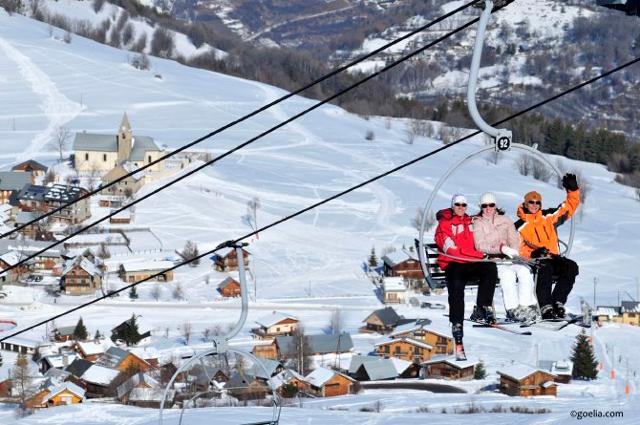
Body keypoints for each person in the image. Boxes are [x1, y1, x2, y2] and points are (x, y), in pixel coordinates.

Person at [435, 194, 498, 359]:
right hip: (454, 263)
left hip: (471, 262)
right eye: (458, 204)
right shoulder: (444, 225)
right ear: (452, 205)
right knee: (456, 284)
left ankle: (482, 307)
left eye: (464, 205)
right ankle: (457, 323)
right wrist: (478, 256)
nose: (461, 207)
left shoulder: (471, 222)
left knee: (490, 269)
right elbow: (451, 250)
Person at [514, 173, 581, 320]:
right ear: (525, 204)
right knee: (545, 268)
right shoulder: (519, 226)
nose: (534, 205)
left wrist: (573, 190)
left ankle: (557, 302)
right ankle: (545, 306)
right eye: (531, 202)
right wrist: (533, 253)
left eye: (537, 203)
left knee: (571, 267)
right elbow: (518, 249)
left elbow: (568, 208)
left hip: (553, 257)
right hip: (534, 261)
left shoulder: (548, 217)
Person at [473, 192, 538, 323]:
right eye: (485, 205)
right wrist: (501, 248)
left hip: (509, 257)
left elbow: (513, 237)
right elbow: (480, 245)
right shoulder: (478, 223)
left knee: (525, 271)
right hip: (493, 259)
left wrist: (513, 250)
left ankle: (526, 306)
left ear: (495, 205)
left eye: (491, 205)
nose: (488, 208)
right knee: (507, 275)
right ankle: (512, 309)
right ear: (481, 206)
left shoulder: (505, 220)